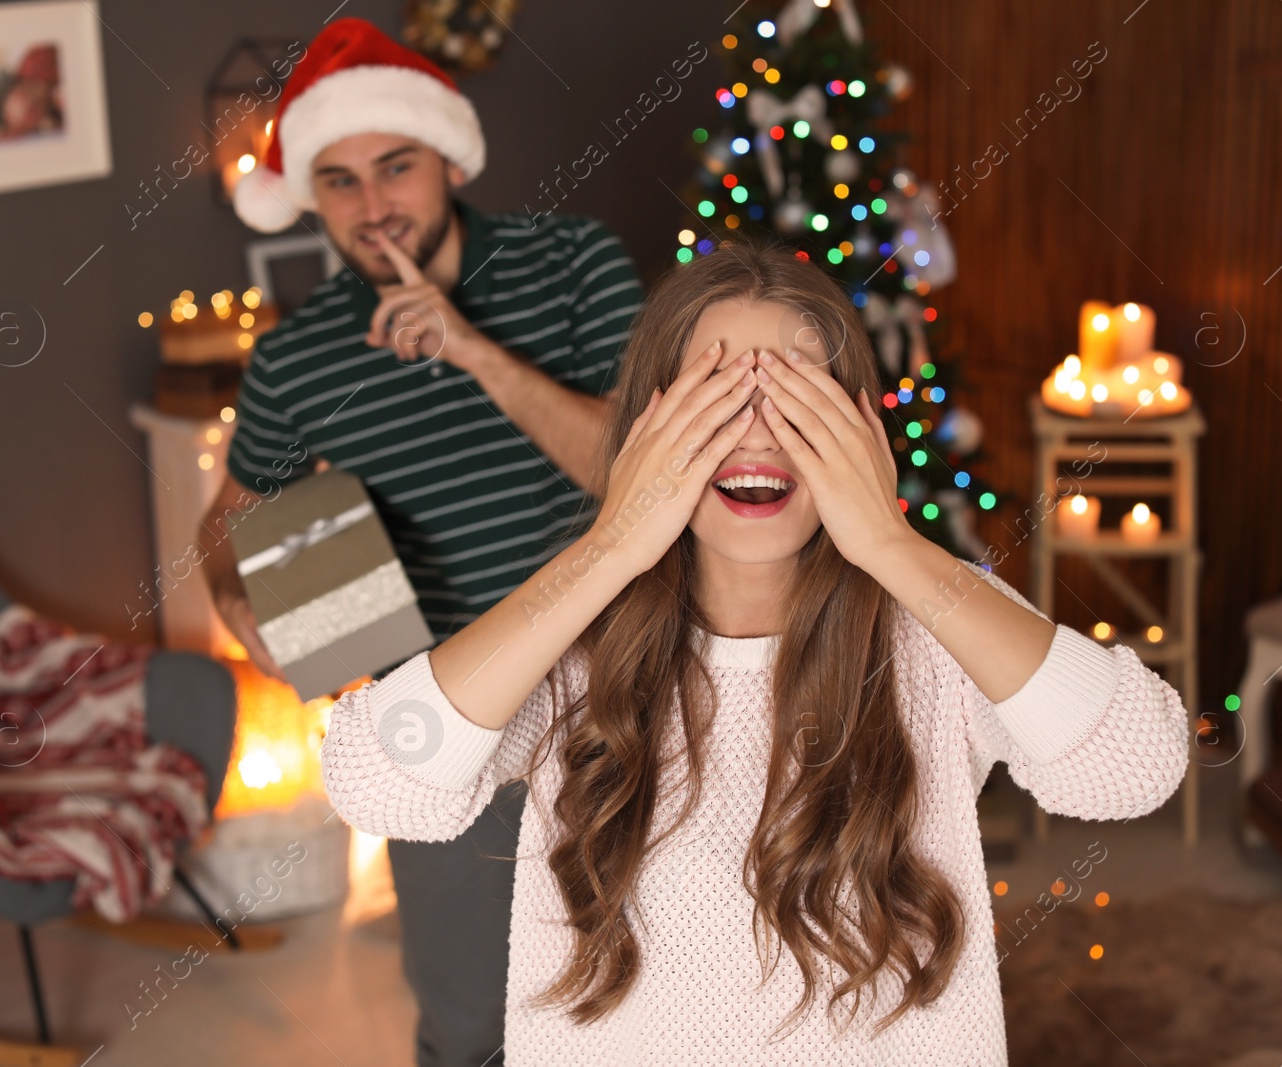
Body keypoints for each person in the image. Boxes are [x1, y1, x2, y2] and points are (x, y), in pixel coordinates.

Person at [321, 243, 1190, 1065]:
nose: (759, 437)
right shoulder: (575, 632)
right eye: (717, 397)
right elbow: (373, 779)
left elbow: (1134, 765)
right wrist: (609, 548)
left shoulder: (934, 617)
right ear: (650, 429)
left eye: (797, 400)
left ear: (858, 430)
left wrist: (890, 542)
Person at [199, 18, 642, 1067]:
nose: (371, 206)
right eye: (339, 180)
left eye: (394, 167)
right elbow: (227, 518)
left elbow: (630, 472)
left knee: (650, 990)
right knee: (473, 1025)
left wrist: (469, 347)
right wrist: (239, 599)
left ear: (448, 157)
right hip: (441, 728)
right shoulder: (295, 360)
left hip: (620, 695)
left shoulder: (574, 263)